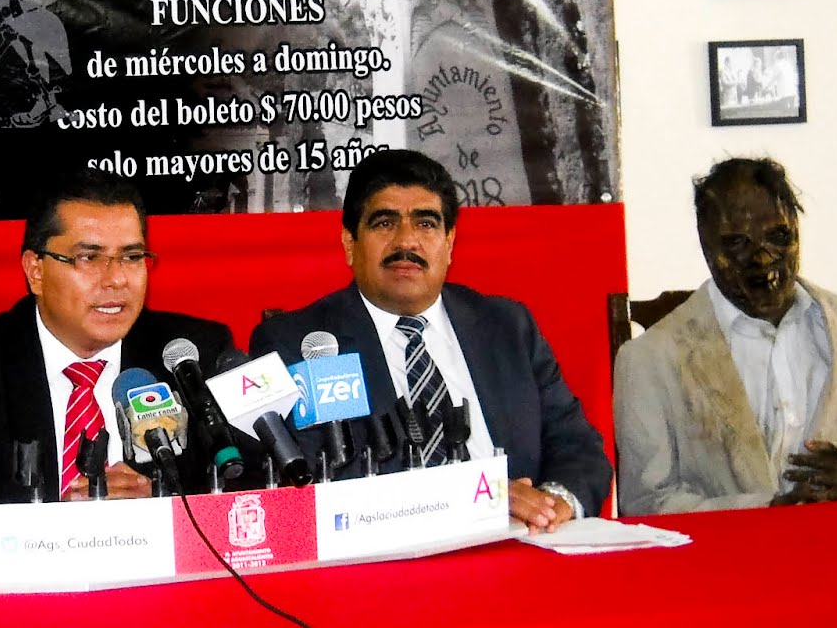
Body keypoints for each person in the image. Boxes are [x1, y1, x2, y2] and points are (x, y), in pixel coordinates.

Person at [0, 169, 238, 562]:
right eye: (89, 258)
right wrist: (53, 531)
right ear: (36, 270)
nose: (116, 280)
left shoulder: (188, 355)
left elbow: (260, 499)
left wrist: (162, 510)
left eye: (132, 257)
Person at [250, 149, 611, 533]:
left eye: (426, 224)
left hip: (522, 543)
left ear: (449, 242)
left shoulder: (507, 326)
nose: (407, 241)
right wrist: (476, 497)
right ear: (350, 243)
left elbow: (578, 447)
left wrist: (550, 506)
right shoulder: (300, 345)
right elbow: (310, 484)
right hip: (388, 556)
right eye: (384, 223)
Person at [614, 158, 837, 515]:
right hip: (724, 550)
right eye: (737, 243)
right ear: (707, 247)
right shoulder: (650, 359)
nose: (762, 258)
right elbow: (645, 503)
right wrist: (763, 510)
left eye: (778, 237)